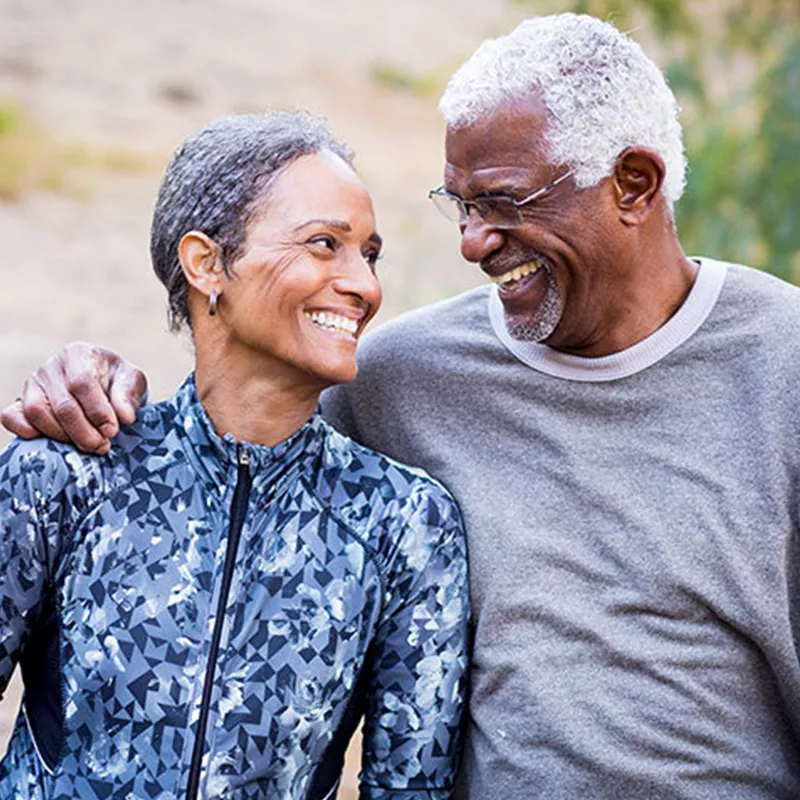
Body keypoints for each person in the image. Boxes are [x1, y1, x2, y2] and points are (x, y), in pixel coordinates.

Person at [5, 11, 800, 799]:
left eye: (503, 201)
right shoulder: (397, 377)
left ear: (633, 184)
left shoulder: (782, 366)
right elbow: (237, 438)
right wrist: (89, 377)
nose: (470, 242)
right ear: (206, 264)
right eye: (460, 205)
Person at [0, 111, 470, 799]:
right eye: (324, 244)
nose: (365, 287)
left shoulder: (404, 525)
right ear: (207, 263)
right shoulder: (67, 473)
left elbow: (411, 789)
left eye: (368, 254)